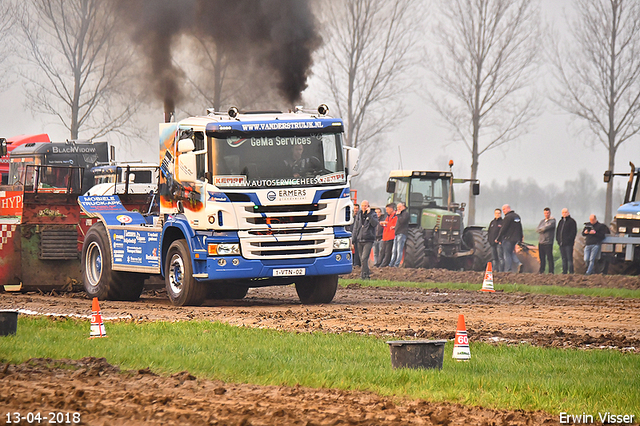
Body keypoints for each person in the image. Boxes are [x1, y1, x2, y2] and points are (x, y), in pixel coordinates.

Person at [352, 200, 379, 279]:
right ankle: (367, 275)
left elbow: (374, 224)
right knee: (362, 260)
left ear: (368, 206)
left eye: (365, 206)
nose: (364, 207)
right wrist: (353, 240)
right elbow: (355, 228)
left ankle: (362, 276)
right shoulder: (359, 215)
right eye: (363, 205)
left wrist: (369, 215)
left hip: (368, 239)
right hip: (359, 239)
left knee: (364, 258)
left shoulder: (373, 214)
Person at [495, 204, 523, 273]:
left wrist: (498, 238)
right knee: (511, 253)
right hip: (515, 239)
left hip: (508, 239)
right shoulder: (517, 217)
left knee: (506, 255)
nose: (503, 211)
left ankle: (508, 270)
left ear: (508, 208)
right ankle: (518, 263)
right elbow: (520, 228)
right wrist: (520, 238)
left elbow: (503, 229)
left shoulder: (508, 217)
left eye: (504, 209)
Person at [556, 208, 577, 274]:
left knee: (569, 259)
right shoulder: (561, 222)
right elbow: (558, 231)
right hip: (561, 244)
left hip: (568, 244)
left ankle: (571, 272)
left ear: (568, 213)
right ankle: (564, 272)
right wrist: (558, 240)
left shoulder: (572, 222)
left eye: (565, 212)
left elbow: (573, 233)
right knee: (563, 258)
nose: (564, 214)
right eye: (563, 212)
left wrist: (568, 240)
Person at [536, 207, 556, 274]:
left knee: (549, 257)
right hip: (541, 242)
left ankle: (551, 271)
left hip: (548, 242)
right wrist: (542, 229)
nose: (546, 214)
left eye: (547, 213)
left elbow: (545, 228)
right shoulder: (542, 221)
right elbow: (537, 229)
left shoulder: (552, 221)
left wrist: (542, 229)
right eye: (545, 213)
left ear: (550, 213)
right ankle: (541, 270)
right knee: (542, 258)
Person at [389, 202, 409, 267]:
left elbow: (402, 221)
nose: (398, 209)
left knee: (399, 250)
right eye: (397, 207)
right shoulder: (400, 215)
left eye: (400, 207)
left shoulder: (405, 214)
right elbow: (399, 224)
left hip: (402, 233)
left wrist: (398, 215)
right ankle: (391, 263)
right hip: (397, 233)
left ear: (404, 207)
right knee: (394, 250)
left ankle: (396, 264)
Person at [487, 208, 503, 272]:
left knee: (500, 258)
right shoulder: (492, 222)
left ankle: (501, 271)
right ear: (494, 214)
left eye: (499, 213)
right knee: (494, 258)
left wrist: (500, 240)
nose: (497, 214)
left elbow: (503, 233)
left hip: (499, 243)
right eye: (496, 213)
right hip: (492, 243)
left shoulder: (502, 222)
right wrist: (489, 240)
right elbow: (489, 232)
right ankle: (495, 270)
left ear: (501, 214)